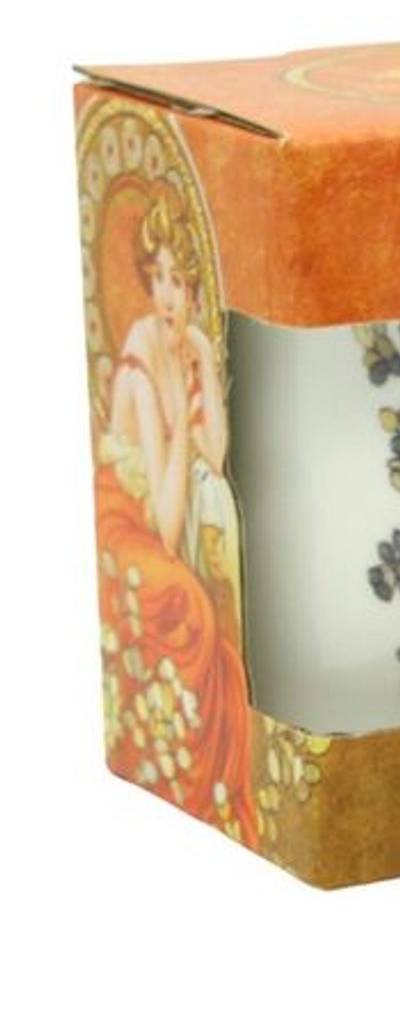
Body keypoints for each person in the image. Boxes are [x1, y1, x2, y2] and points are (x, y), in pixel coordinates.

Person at [95, 190, 254, 845]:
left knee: (216, 496)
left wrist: (203, 369)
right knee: (189, 606)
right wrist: (182, 422)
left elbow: (216, 455)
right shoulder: (138, 365)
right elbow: (163, 520)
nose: (166, 296)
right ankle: (199, 771)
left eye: (180, 282)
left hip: (171, 503)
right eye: (157, 278)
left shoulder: (185, 346)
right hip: (129, 522)